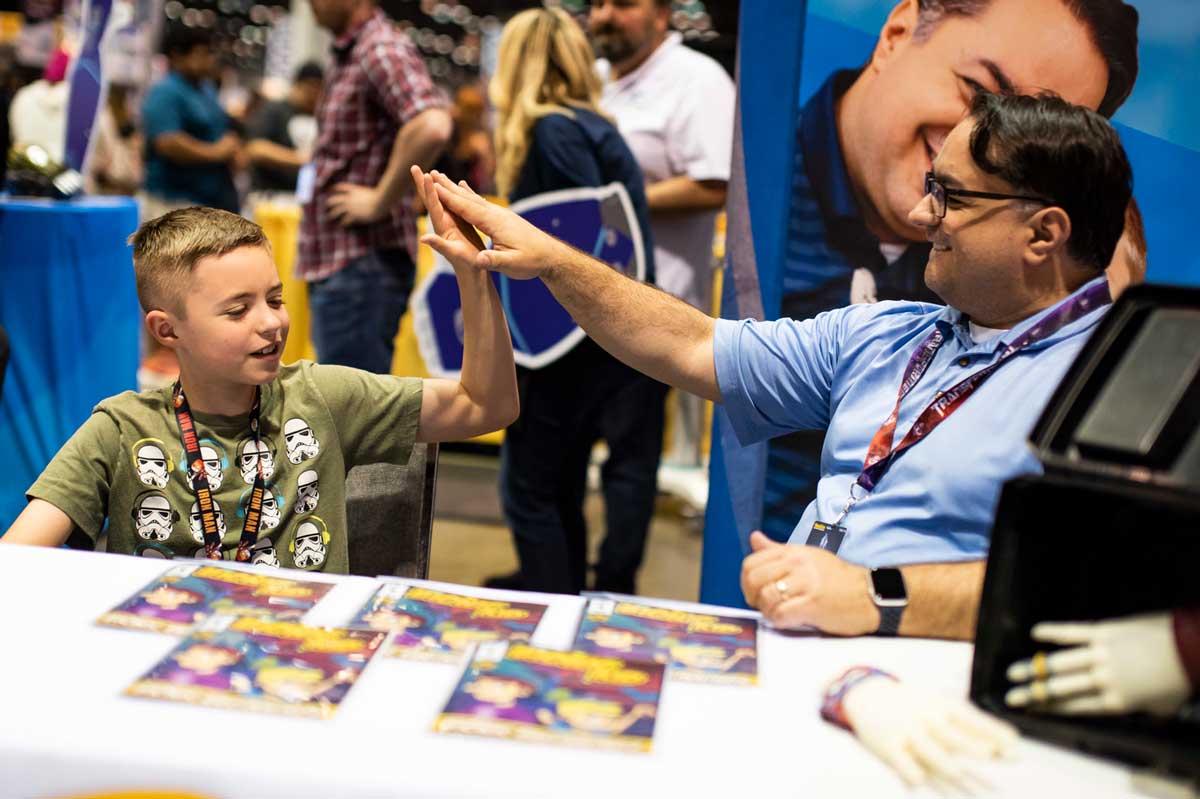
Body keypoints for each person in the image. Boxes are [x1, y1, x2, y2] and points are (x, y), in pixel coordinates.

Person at [411, 89, 1132, 640]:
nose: (920, 215)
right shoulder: (895, 334)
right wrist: (553, 261)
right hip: (799, 654)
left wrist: (878, 593)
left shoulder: (1114, 385)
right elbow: (695, 345)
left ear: (1044, 233)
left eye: (951, 197)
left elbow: (1100, 591)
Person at [756, 0, 1140, 544]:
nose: (992, 149)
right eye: (979, 93)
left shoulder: (1062, 265)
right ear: (896, 32)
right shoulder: (744, 186)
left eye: (1040, 137)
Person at [1, 187, 517, 570]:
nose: (271, 322)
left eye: (273, 298)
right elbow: (17, 563)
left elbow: (485, 406)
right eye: (237, 310)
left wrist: (473, 276)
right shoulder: (121, 430)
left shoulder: (322, 397)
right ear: (167, 330)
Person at [481, 8, 664, 596]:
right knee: (557, 483)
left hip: (568, 338)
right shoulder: (590, 124)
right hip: (594, 335)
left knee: (531, 488)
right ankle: (562, 596)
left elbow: (570, 242)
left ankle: (551, 605)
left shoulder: (555, 131)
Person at [589, 0, 735, 471]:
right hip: (578, 295)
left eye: (624, 4)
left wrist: (611, 203)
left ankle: (620, 549)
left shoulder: (697, 78)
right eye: (596, 4)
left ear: (661, 14)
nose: (605, 16)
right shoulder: (593, 78)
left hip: (650, 305)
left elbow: (714, 182)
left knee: (629, 465)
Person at [299, 0, 452, 374]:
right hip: (347, 263)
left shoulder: (379, 49)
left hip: (361, 262)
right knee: (346, 408)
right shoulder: (354, 52)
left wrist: (379, 200)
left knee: (352, 418)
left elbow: (431, 124)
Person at [140, 26, 240, 217]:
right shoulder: (165, 91)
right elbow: (167, 143)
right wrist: (216, 153)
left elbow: (219, 126)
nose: (207, 61)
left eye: (209, 55)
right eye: (200, 55)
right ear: (178, 56)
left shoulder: (206, 89)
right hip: (172, 200)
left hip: (209, 198)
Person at [243, 62, 324, 197]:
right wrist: (299, 159)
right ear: (297, 85)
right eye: (310, 88)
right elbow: (255, 148)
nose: (313, 95)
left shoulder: (320, 116)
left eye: (318, 89)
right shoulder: (274, 110)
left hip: (303, 197)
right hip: (270, 194)